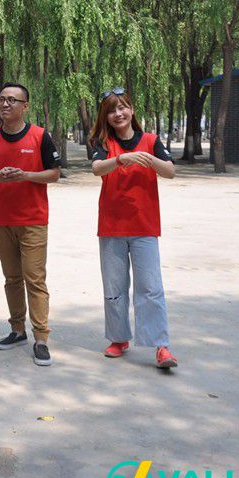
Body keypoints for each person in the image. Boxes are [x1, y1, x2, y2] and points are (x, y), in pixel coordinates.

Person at [90, 88, 178, 368]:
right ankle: (119, 339)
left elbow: (170, 171)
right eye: (112, 111)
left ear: (132, 110)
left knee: (151, 287)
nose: (118, 114)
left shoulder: (151, 141)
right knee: (114, 287)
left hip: (144, 226)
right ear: (105, 117)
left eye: (123, 108)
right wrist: (120, 160)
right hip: (111, 226)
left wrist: (149, 158)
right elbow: (97, 168)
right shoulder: (103, 143)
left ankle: (161, 346)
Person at [0, 82, 61, 366]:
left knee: (34, 278)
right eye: (2, 99)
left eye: (13, 100)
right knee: (12, 278)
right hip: (1, 220)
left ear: (25, 106)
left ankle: (41, 338)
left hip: (33, 219)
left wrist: (25, 175)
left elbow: (54, 174)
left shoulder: (40, 136)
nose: (5, 104)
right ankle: (17, 330)